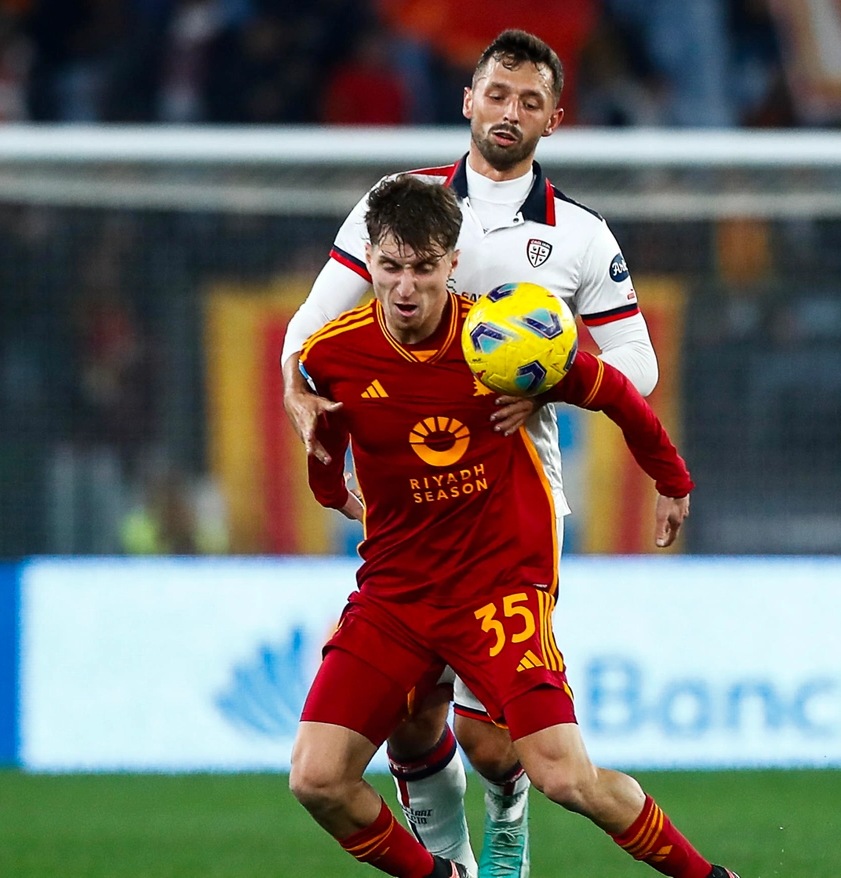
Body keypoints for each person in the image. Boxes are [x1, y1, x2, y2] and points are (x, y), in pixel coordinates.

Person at [280, 29, 657, 875]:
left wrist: (552, 377)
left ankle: (509, 805)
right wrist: (297, 394)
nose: (509, 112)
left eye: (530, 101)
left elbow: (640, 365)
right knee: (413, 722)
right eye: (497, 93)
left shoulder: (582, 237)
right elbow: (310, 333)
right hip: (410, 508)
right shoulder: (400, 205)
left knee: (492, 745)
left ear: (555, 119)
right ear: (468, 100)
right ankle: (446, 862)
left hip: (510, 509)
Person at [290, 174, 733, 878]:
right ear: (368, 259)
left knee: (564, 777)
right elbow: (326, 440)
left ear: (453, 264)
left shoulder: (502, 343)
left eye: (425, 268)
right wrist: (328, 487)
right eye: (392, 267)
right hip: (396, 595)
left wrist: (671, 480)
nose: (406, 288)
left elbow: (617, 391)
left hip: (497, 588)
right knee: (316, 778)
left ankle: (709, 877)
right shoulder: (332, 355)